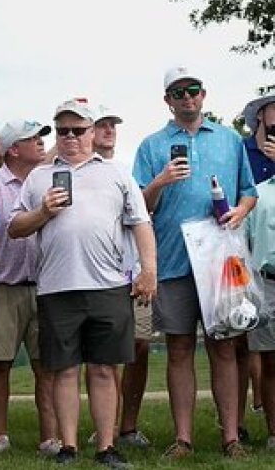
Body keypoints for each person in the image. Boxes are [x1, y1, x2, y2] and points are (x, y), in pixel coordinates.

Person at [9, 100, 157, 468]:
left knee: (105, 368)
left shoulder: (117, 173)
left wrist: (148, 269)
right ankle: (69, 447)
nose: (70, 137)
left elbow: (141, 224)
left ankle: (106, 447)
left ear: (92, 132)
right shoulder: (39, 178)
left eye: (78, 130)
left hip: (108, 285)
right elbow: (14, 228)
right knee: (64, 370)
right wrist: (43, 212)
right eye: (63, 131)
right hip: (57, 287)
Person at [133, 66, 257, 459]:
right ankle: (183, 439)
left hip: (221, 261)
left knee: (225, 346)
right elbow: (141, 208)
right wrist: (160, 182)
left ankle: (231, 438)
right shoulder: (152, 146)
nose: (187, 97)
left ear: (204, 95)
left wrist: (239, 211)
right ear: (167, 100)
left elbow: (248, 193)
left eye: (193, 90)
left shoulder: (229, 139)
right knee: (180, 348)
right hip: (173, 260)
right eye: (178, 92)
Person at [0, 119, 58, 455]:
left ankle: (50, 438)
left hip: (46, 286)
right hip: (1, 286)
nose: (41, 143)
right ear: (13, 149)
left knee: (48, 367)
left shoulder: (49, 182)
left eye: (42, 138)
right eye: (33, 139)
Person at [90, 105, 154, 450]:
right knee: (106, 354)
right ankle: (108, 427)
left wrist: (147, 269)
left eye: (112, 124)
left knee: (139, 346)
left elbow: (143, 220)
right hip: (101, 276)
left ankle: (128, 426)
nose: (109, 130)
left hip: (132, 272)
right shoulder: (78, 171)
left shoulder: (126, 171)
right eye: (101, 125)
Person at [244, 164, 275, 449]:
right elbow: (245, 243)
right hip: (267, 283)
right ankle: (274, 433)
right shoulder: (258, 194)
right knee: (269, 360)